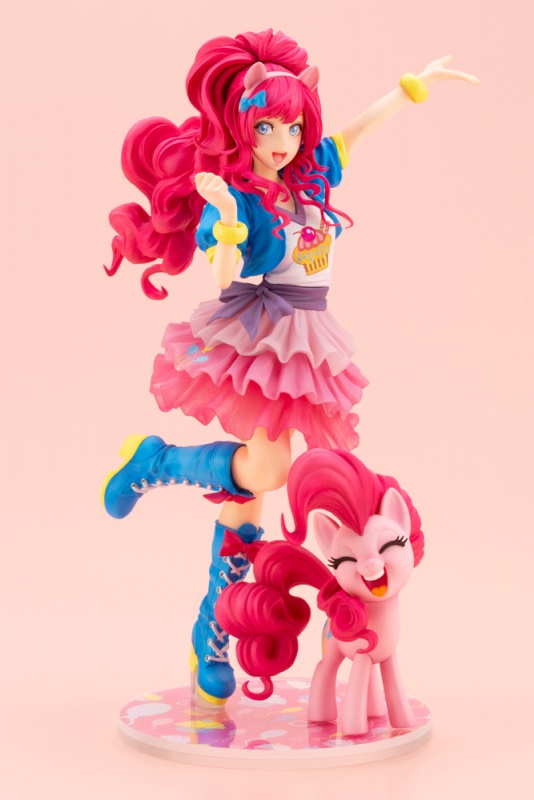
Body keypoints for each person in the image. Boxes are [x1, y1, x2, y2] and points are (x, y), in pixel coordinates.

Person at [101, 29, 477, 705]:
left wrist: (409, 89)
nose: (282, 141)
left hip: (310, 338)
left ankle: (209, 639)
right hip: (262, 335)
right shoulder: (239, 197)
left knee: (252, 499)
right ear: (241, 127)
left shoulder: (311, 176)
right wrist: (225, 216)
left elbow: (354, 135)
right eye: (266, 127)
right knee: (269, 471)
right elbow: (222, 276)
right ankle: (157, 462)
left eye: (293, 126)